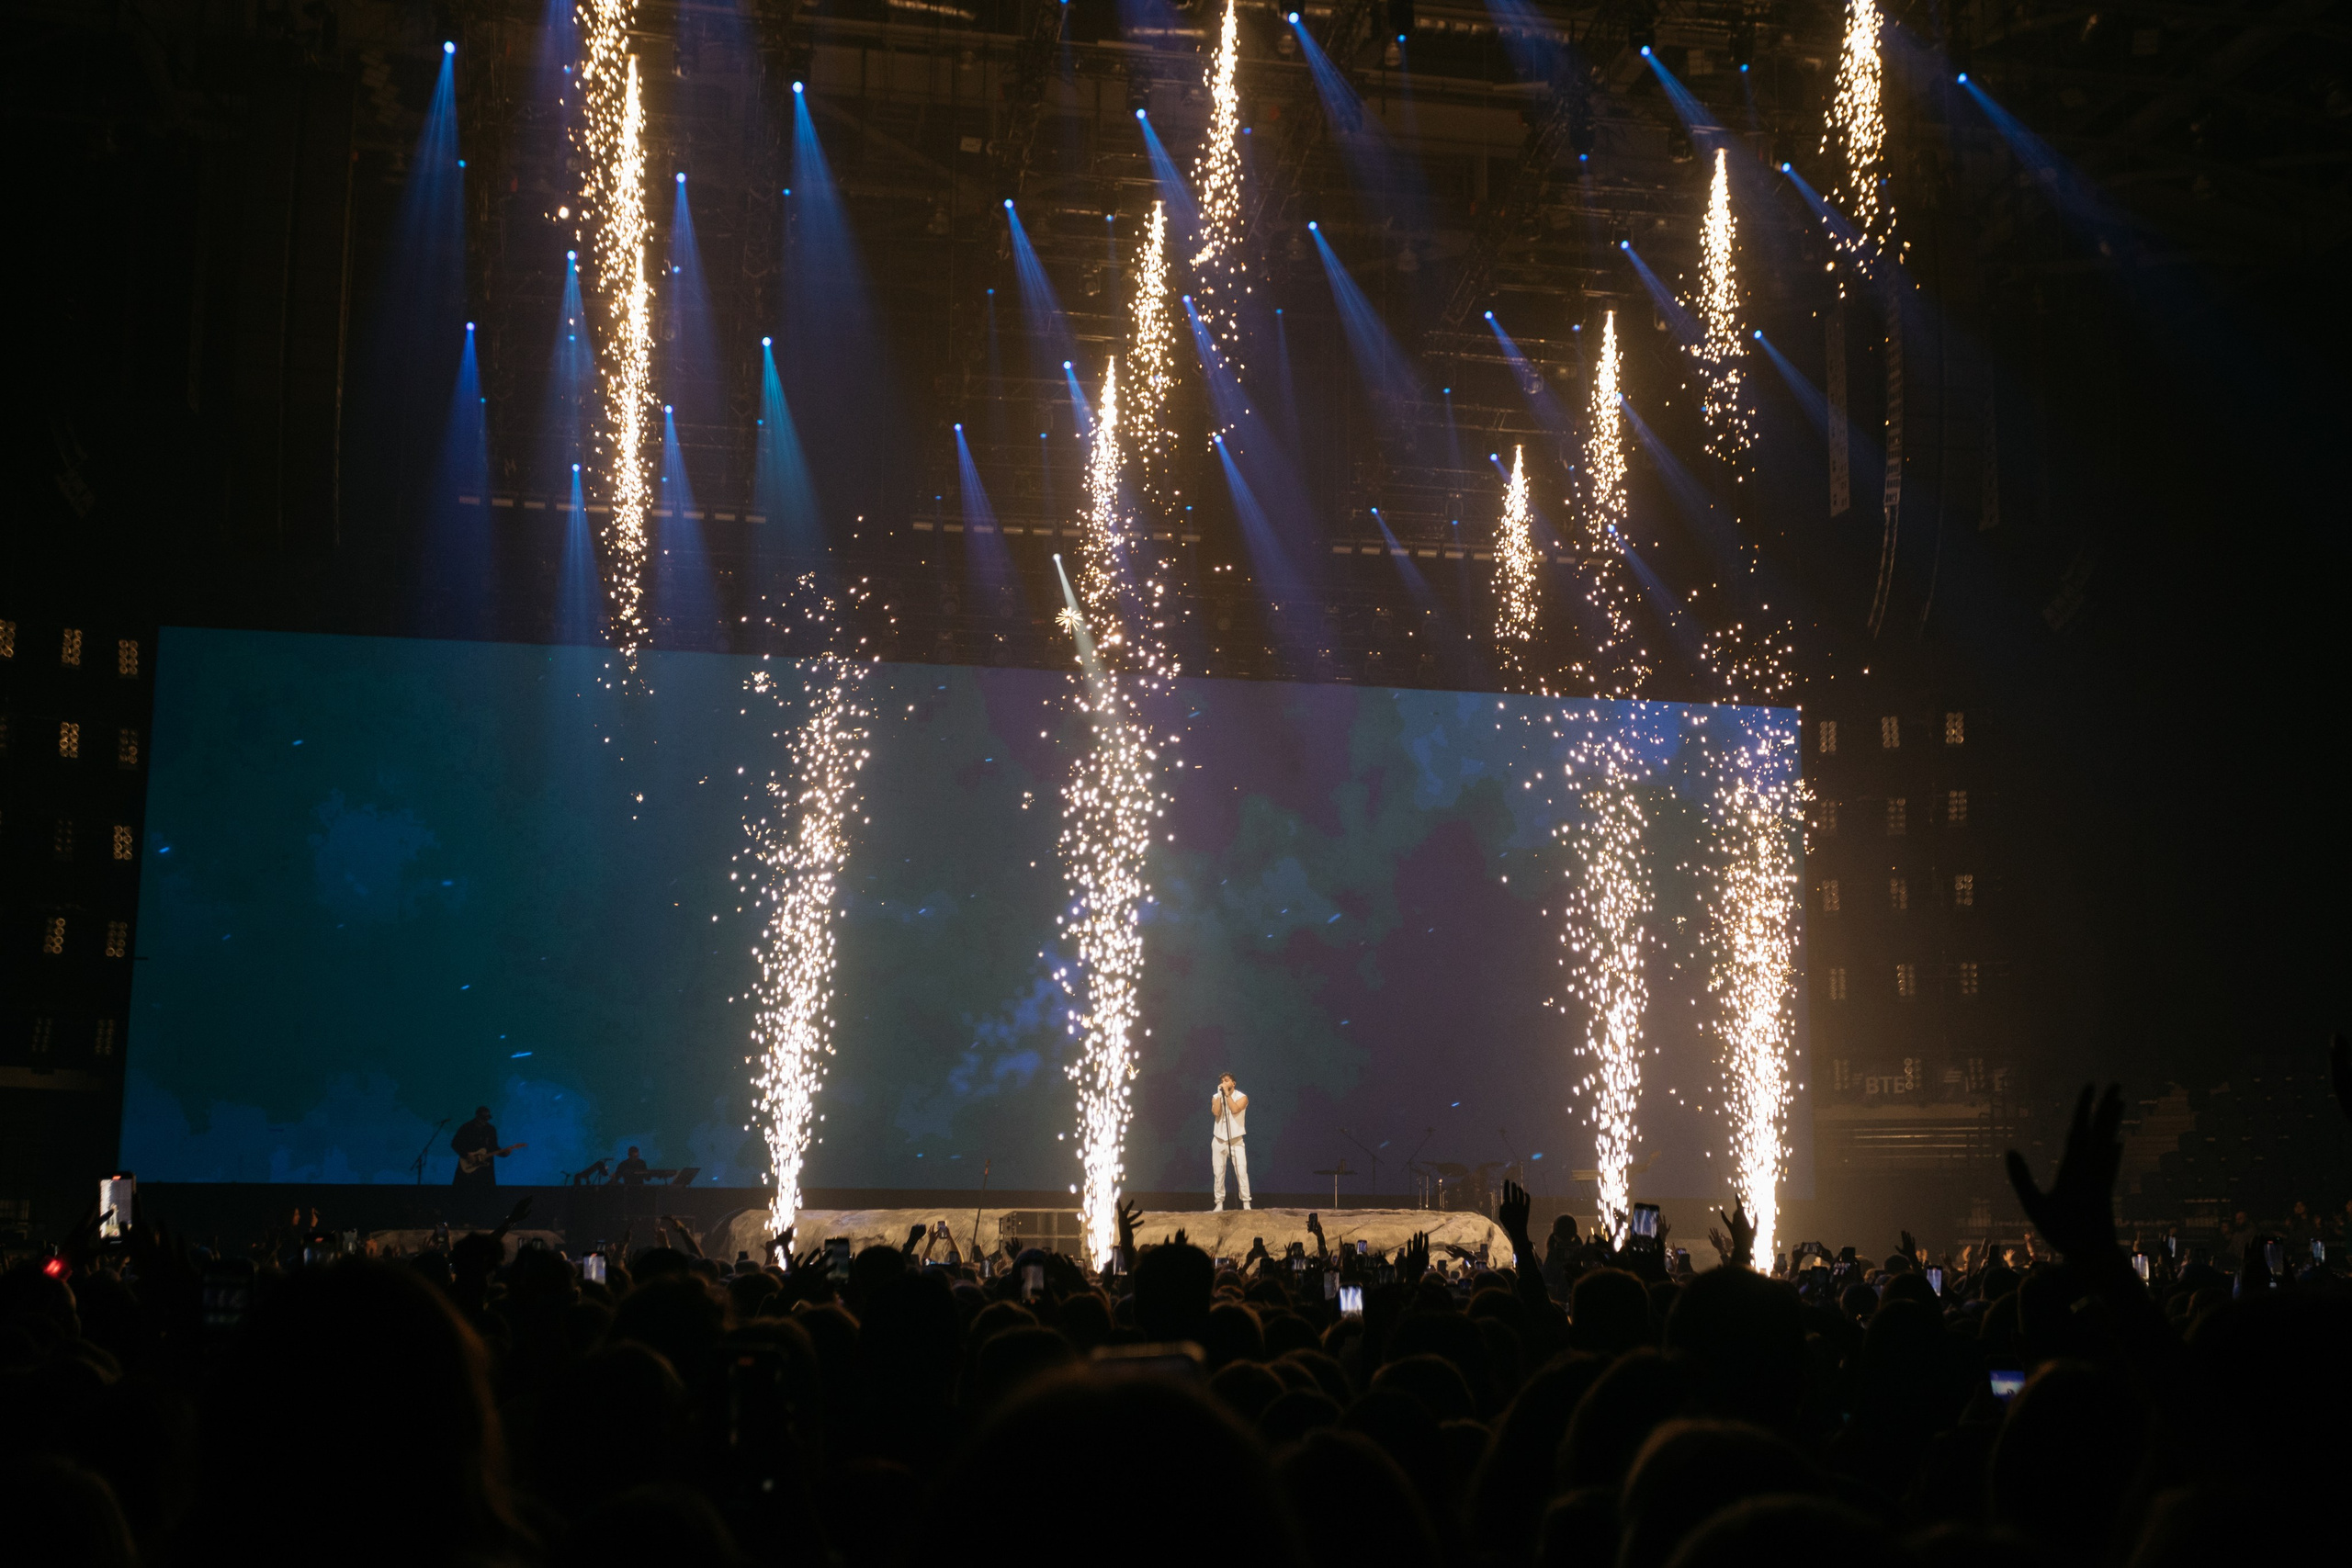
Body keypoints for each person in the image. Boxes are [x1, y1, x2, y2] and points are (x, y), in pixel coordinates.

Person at [450, 1106, 522, 1194]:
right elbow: (455, 1144)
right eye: (483, 1118)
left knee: (485, 1195)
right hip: (468, 1167)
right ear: (477, 1116)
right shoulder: (466, 1127)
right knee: (465, 1193)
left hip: (485, 1169)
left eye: (487, 1118)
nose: (485, 1120)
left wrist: (504, 1153)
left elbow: (493, 1147)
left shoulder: (490, 1129)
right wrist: (466, 1155)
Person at [1212, 1073, 1251, 1212]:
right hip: (1219, 1139)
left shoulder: (1242, 1097)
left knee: (1241, 1171)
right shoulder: (1216, 1097)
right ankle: (1219, 1203)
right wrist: (1219, 1096)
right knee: (1218, 1172)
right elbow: (1216, 1112)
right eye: (1222, 1081)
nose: (1223, 1083)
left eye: (1226, 1080)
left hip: (1236, 1141)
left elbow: (1235, 1110)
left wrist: (1227, 1095)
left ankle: (1246, 1203)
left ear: (1233, 1083)